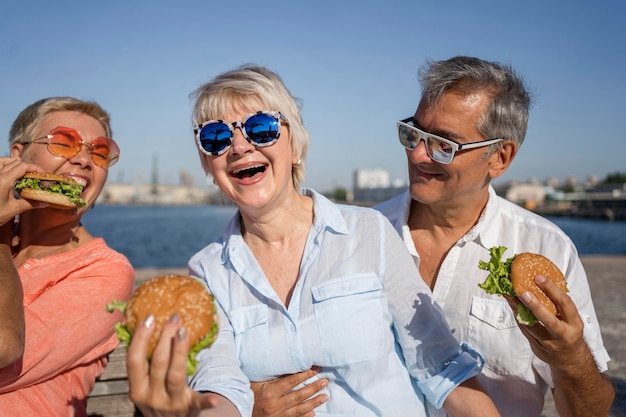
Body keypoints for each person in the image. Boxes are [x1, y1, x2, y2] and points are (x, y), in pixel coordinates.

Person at [127, 64, 502, 417]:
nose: (239, 147)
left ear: (296, 146)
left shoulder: (369, 233)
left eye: (260, 129)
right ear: (208, 165)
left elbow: (441, 366)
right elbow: (221, 383)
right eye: (216, 137)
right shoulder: (208, 272)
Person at [374, 56, 615, 416]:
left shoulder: (546, 249)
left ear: (500, 157)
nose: (418, 154)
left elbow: (590, 411)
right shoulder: (366, 234)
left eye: (444, 144)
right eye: (415, 133)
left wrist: (571, 359)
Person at [0, 97, 135, 416]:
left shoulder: (106, 272)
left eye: (100, 151)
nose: (85, 160)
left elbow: (4, 347)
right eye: (63, 142)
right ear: (17, 157)